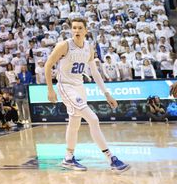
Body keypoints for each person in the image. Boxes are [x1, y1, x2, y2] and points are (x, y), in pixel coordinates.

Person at [44, 18, 129, 172]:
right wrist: (50, 89)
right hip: (66, 87)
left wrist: (107, 94)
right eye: (74, 28)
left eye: (80, 28)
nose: (76, 30)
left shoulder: (89, 47)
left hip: (79, 87)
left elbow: (94, 72)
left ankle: (68, 158)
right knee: (93, 119)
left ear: (85, 31)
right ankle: (111, 159)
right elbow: (48, 65)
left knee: (74, 123)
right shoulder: (64, 45)